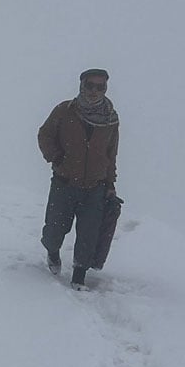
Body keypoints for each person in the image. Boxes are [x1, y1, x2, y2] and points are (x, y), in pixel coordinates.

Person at [37, 68, 123, 291]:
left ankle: (79, 277)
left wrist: (110, 184)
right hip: (64, 183)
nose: (94, 91)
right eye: (90, 85)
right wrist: (56, 157)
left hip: (95, 187)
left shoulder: (110, 119)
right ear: (81, 85)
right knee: (54, 230)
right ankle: (52, 252)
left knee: (89, 234)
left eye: (100, 87)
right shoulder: (65, 111)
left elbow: (111, 154)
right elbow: (45, 134)